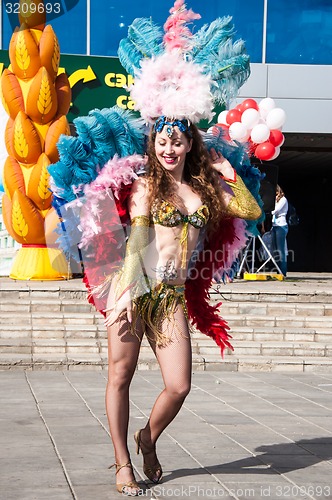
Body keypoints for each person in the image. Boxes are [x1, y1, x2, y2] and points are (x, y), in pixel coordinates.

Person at [103, 120, 262, 496]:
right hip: (134, 287)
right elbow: (139, 238)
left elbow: (250, 209)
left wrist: (227, 172)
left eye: (176, 142)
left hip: (171, 296)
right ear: (154, 146)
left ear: (190, 144)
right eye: (161, 142)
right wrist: (127, 289)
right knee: (120, 376)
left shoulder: (203, 192)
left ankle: (148, 436)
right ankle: (122, 462)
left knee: (179, 385)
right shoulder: (144, 186)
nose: (168, 149)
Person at [271, 184, 288, 276]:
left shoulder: (283, 200)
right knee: (275, 250)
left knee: (281, 249)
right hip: (274, 225)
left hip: (281, 225)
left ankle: (283, 272)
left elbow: (276, 210)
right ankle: (278, 270)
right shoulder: (276, 201)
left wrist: (267, 211)